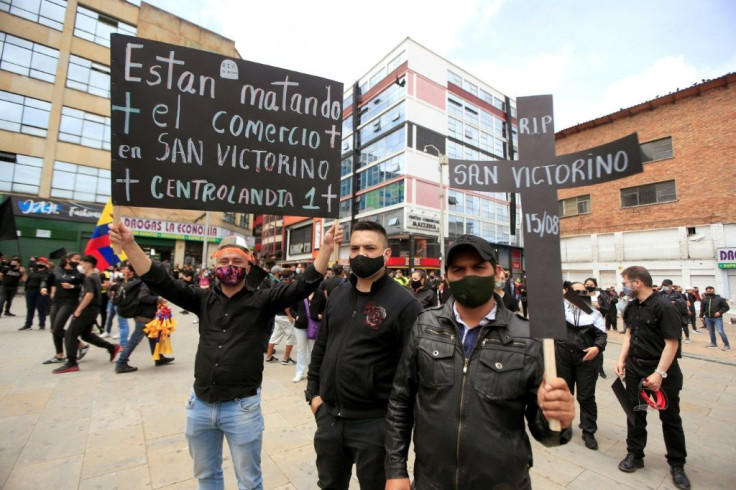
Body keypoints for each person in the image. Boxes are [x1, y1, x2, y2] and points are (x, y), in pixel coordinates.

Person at [110, 220, 341, 490]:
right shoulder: (201, 299)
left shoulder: (263, 301)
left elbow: (305, 283)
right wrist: (129, 244)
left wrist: (325, 248)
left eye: (237, 261)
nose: (230, 266)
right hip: (199, 405)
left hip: (241, 408)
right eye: (224, 260)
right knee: (207, 476)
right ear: (215, 266)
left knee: (249, 481)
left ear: (248, 266)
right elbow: (158, 279)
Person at [384, 234, 575, 490]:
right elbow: (400, 401)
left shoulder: (528, 339)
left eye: (478, 267)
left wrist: (558, 421)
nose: (468, 276)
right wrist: (396, 470)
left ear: (496, 271)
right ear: (447, 276)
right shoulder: (425, 325)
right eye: (459, 269)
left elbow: (545, 433)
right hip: (432, 481)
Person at [306, 221, 422, 490]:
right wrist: (314, 395)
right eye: (355, 247)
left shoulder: (406, 304)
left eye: (370, 248)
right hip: (330, 419)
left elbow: (410, 375)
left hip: (375, 425)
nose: (361, 254)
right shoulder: (338, 293)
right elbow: (321, 347)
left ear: (386, 254)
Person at [615, 266, 690, 490]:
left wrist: (659, 373)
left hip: (662, 372)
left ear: (637, 282)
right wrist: (621, 359)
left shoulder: (664, 307)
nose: (624, 287)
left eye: (625, 282)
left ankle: (677, 464)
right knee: (635, 414)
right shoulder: (631, 306)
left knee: (671, 418)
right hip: (635, 369)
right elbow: (628, 334)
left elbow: (672, 343)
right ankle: (635, 454)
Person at [557, 282, 607, 450]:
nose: (580, 294)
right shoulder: (558, 309)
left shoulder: (594, 314)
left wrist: (597, 347)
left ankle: (588, 431)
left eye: (583, 291)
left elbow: (601, 335)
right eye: (575, 291)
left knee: (586, 396)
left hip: (586, 360)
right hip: (563, 358)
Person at [52, 255, 122, 373]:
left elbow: (89, 294)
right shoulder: (94, 276)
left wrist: (78, 310)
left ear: (88, 264)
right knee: (86, 335)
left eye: (81, 262)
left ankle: (71, 363)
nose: (79, 265)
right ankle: (112, 347)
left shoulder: (90, 277)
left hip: (87, 310)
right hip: (92, 310)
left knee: (70, 335)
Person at [115, 263, 174, 373]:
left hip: (147, 316)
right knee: (134, 340)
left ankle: (158, 358)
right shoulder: (147, 282)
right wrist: (158, 299)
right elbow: (143, 297)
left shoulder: (149, 281)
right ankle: (121, 363)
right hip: (144, 317)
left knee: (153, 338)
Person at [41, 252, 85, 365]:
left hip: (70, 302)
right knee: (54, 329)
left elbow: (84, 286)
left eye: (79, 259)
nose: (78, 261)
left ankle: (80, 345)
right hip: (56, 302)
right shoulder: (56, 270)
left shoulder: (79, 273)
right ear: (67, 259)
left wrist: (72, 286)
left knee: (57, 328)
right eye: (76, 259)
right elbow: (46, 280)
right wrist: (43, 288)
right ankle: (59, 355)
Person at [584, 278, 611, 378]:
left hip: (598, 324)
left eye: (591, 284)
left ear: (595, 286)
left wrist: (599, 306)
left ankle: (601, 369)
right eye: (586, 284)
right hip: (586, 324)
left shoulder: (601, 296)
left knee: (598, 346)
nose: (588, 285)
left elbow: (608, 309)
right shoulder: (582, 295)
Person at [19, 257, 51, 330]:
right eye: (39, 262)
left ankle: (42, 324)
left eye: (42, 263)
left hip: (40, 292)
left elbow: (46, 281)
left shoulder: (48, 272)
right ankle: (28, 324)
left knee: (41, 308)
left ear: (46, 264)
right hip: (30, 291)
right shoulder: (33, 272)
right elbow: (25, 280)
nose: (40, 264)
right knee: (30, 308)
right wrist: (23, 272)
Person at [658, 279, 690, 344]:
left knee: (677, 329)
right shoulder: (659, 294)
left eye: (667, 286)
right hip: (663, 315)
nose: (665, 287)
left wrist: (675, 302)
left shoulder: (677, 294)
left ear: (671, 286)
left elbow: (683, 302)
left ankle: (680, 340)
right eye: (664, 286)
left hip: (675, 315)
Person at [700, 286, 730, 351]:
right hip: (708, 318)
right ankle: (713, 343)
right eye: (709, 291)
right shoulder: (704, 299)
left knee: (720, 331)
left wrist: (720, 312)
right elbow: (702, 309)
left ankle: (727, 345)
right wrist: (701, 316)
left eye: (712, 291)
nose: (711, 292)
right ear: (706, 291)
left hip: (717, 318)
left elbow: (726, 307)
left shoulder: (720, 299)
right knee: (711, 331)